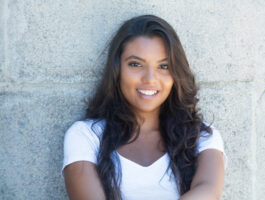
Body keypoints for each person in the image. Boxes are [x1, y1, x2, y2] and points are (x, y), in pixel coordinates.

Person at [62, 14, 227, 200]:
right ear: (117, 70)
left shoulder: (202, 137)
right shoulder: (86, 136)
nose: (150, 78)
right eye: (135, 64)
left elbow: (209, 191)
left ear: (176, 74)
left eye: (163, 66)